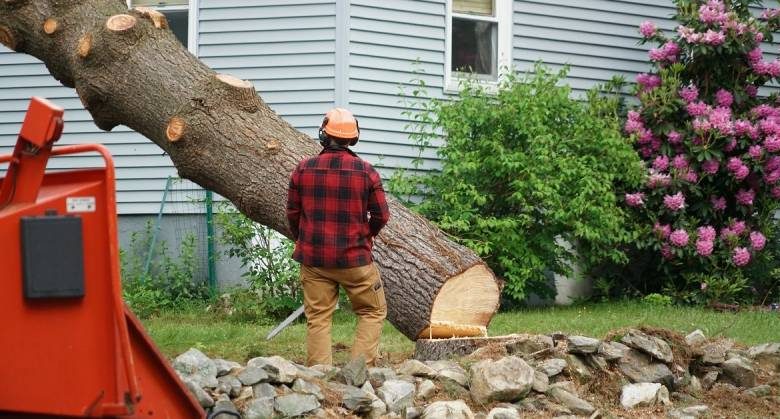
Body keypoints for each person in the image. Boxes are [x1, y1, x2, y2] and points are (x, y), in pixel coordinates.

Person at [286, 108, 390, 366]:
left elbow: (292, 213)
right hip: (355, 260)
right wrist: (367, 235)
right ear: (353, 138)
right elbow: (381, 216)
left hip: (314, 261)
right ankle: (359, 372)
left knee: (318, 317)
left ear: (324, 134)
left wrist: (305, 239)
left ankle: (319, 378)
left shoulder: (302, 169)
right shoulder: (366, 172)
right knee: (372, 311)